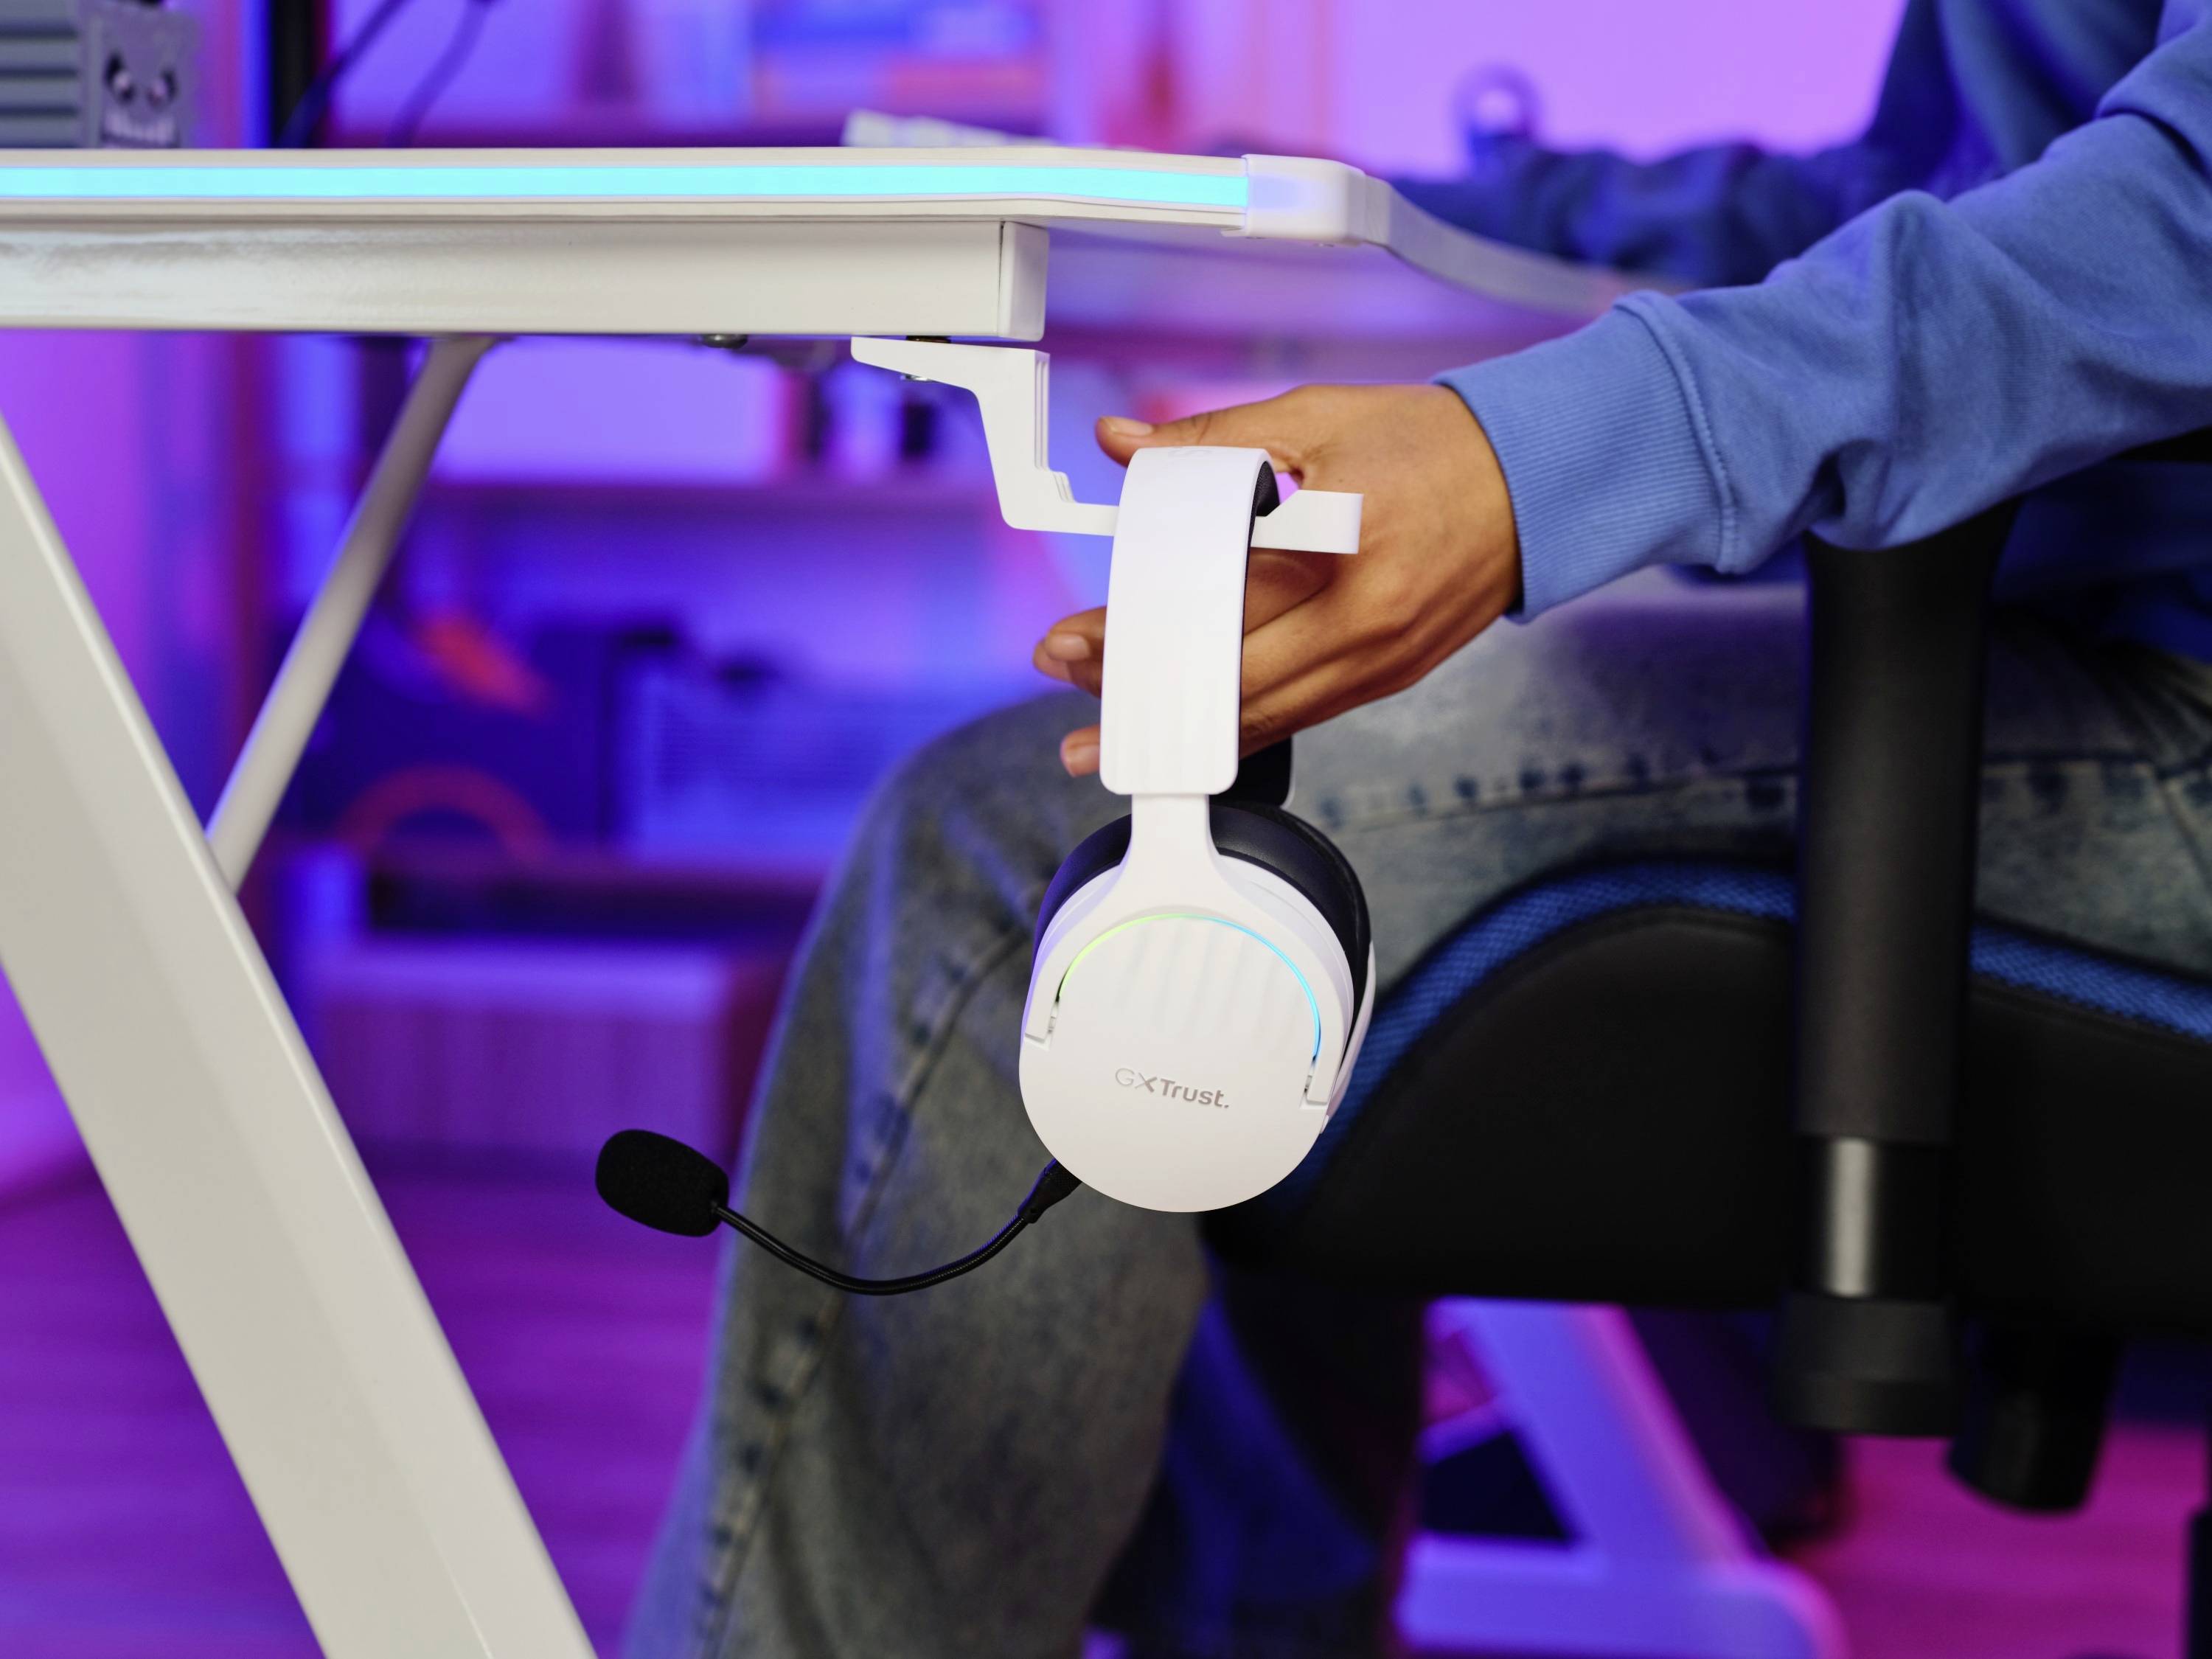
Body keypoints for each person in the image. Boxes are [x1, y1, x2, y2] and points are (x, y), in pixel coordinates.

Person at [629, 2, 2212, 1654]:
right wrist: (1377, 204)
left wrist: (1531, 459)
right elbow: (1951, 188)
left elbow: (2182, 221)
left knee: (1010, 848)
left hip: (2166, 722)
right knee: (1226, 781)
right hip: (2073, 642)